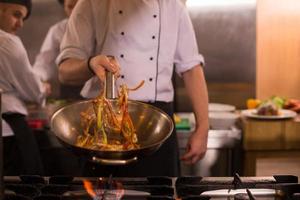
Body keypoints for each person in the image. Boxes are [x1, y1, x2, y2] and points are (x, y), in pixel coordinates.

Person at [57, 0, 209, 177]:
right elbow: (65, 71)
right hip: (102, 121)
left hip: (157, 125)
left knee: (160, 192)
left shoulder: (173, 6)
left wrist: (203, 127)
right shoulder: (91, 3)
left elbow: (191, 68)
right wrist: (90, 64)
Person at [0, 0, 49, 175]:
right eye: (16, 15)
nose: (20, 24)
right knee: (24, 186)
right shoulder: (8, 42)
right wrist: (42, 89)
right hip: (8, 126)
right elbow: (31, 89)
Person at [33, 0, 80, 99]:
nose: (75, 11)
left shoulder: (100, 27)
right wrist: (40, 80)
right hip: (69, 90)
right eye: (70, 7)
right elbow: (44, 63)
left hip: (97, 88)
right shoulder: (57, 30)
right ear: (64, 7)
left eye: (79, 5)